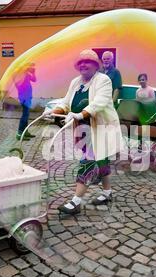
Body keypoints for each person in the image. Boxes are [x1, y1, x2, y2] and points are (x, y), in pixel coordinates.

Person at [44, 50, 123, 215]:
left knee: (88, 162)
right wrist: (53, 111)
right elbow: (66, 104)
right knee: (101, 161)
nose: (83, 65)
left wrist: (80, 114)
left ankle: (76, 202)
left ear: (96, 65)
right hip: (83, 130)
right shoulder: (75, 82)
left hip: (101, 128)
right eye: (80, 63)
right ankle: (108, 193)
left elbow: (98, 103)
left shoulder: (103, 80)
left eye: (87, 62)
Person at [15, 63, 37, 141]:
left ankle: (25, 132)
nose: (29, 68)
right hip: (24, 98)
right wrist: (26, 70)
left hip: (28, 97)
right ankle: (19, 134)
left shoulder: (26, 74)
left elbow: (34, 80)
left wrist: (33, 73)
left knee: (26, 115)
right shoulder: (19, 75)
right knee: (24, 115)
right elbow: (19, 86)